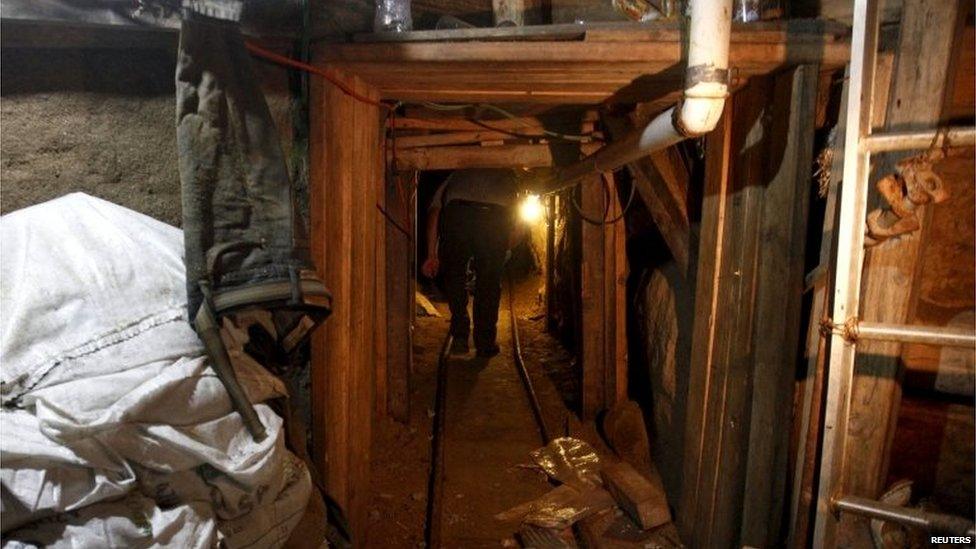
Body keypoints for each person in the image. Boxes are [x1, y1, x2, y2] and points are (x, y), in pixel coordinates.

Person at [422, 168, 520, 357]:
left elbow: (434, 213)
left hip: (458, 215)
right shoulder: (508, 174)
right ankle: (485, 343)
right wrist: (501, 252)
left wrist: (431, 255)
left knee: (454, 274)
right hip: (496, 215)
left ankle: (459, 335)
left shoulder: (454, 175)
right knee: (489, 282)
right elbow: (518, 227)